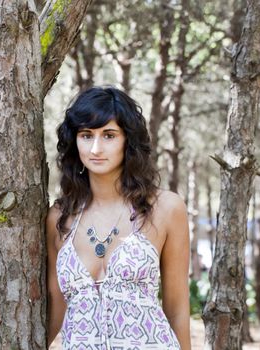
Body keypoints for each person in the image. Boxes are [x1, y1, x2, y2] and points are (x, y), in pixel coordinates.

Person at [46, 86, 191, 349]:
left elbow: (177, 309)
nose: (96, 147)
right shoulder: (59, 216)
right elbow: (56, 307)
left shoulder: (166, 208)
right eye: (86, 135)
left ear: (128, 141)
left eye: (109, 135)